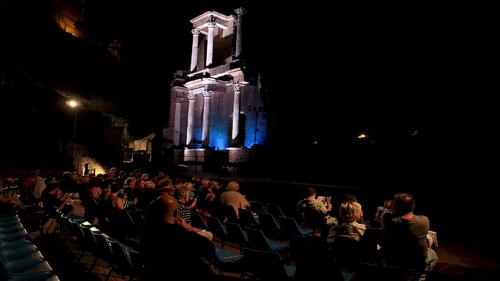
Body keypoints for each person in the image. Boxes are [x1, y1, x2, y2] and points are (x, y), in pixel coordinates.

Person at [141, 194, 218, 280]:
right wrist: (187, 229)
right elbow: (210, 249)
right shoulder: (182, 234)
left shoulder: (147, 228)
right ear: (176, 213)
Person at [383, 193, 438, 280]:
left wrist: (391, 207)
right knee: (432, 253)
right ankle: (421, 275)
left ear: (396, 207)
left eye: (394, 204)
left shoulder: (389, 221)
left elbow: (388, 214)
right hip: (416, 261)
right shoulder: (424, 219)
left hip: (395, 260)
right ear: (413, 206)